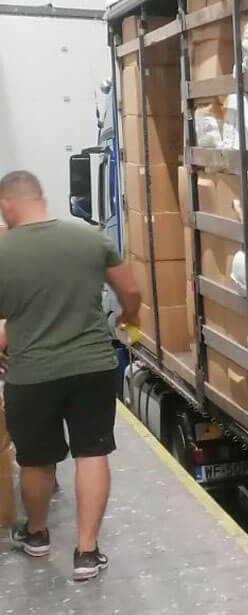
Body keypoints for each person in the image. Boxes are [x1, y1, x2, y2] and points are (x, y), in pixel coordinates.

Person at [0, 170, 140, 581]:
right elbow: (130, 291)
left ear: (8, 205)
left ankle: (37, 535)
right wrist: (128, 318)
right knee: (91, 454)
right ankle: (87, 552)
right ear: (41, 198)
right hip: (92, 367)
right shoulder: (89, 238)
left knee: (36, 459)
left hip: (30, 374)